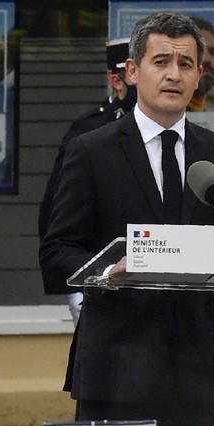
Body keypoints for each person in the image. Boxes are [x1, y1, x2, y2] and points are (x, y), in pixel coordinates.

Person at [40, 11, 214, 426]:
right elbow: (57, 251)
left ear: (200, 75)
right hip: (117, 366)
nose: (173, 74)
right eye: (160, 61)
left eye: (185, 63)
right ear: (132, 72)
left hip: (198, 369)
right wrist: (108, 271)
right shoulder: (92, 150)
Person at [38, 37, 136, 321]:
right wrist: (75, 284)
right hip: (98, 279)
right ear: (116, 80)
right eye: (132, 75)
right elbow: (55, 212)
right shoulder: (89, 131)